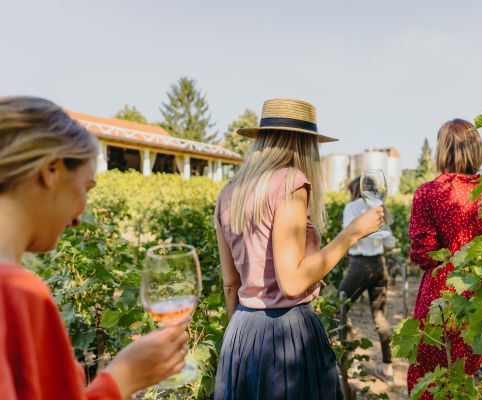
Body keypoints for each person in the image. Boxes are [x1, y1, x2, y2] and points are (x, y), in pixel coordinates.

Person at [0, 96, 189, 400]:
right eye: (86, 188)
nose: (78, 217)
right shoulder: (15, 293)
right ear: (51, 170)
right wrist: (122, 378)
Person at [213, 98, 383, 400]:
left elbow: (230, 285)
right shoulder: (291, 181)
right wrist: (351, 234)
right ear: (305, 145)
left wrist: (242, 343)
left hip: (240, 330)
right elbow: (291, 282)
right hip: (285, 332)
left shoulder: (228, 193)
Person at [406, 119, 482, 399]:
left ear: (442, 150)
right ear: (477, 149)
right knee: (478, 380)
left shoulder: (428, 192)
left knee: (434, 376)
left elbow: (423, 254)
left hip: (443, 298)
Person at [338, 177, 396, 383]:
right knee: (380, 316)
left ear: (356, 190)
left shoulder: (352, 207)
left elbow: (348, 237)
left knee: (339, 309)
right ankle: (388, 368)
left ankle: (349, 362)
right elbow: (390, 242)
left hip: (359, 265)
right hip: (379, 265)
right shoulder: (379, 208)